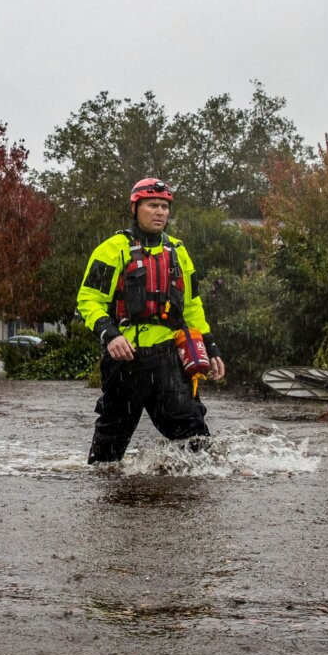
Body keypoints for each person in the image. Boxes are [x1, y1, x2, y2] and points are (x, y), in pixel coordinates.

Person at [75, 177, 227, 464]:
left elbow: (193, 305)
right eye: (152, 205)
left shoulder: (179, 251)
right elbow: (88, 299)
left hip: (167, 357)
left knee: (194, 435)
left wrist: (211, 346)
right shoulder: (112, 249)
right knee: (109, 448)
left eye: (164, 206)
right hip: (124, 359)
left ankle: (193, 498)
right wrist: (110, 334)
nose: (160, 212)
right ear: (136, 208)